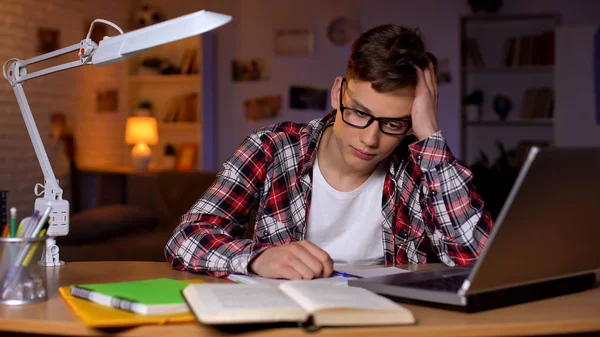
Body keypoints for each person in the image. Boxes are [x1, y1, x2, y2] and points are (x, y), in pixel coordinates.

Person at [165, 24, 494, 280]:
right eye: (359, 113)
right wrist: (257, 258)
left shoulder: (421, 164)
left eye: (393, 124)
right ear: (338, 92)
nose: (369, 139)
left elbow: (479, 261)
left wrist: (430, 137)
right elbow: (186, 238)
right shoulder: (271, 148)